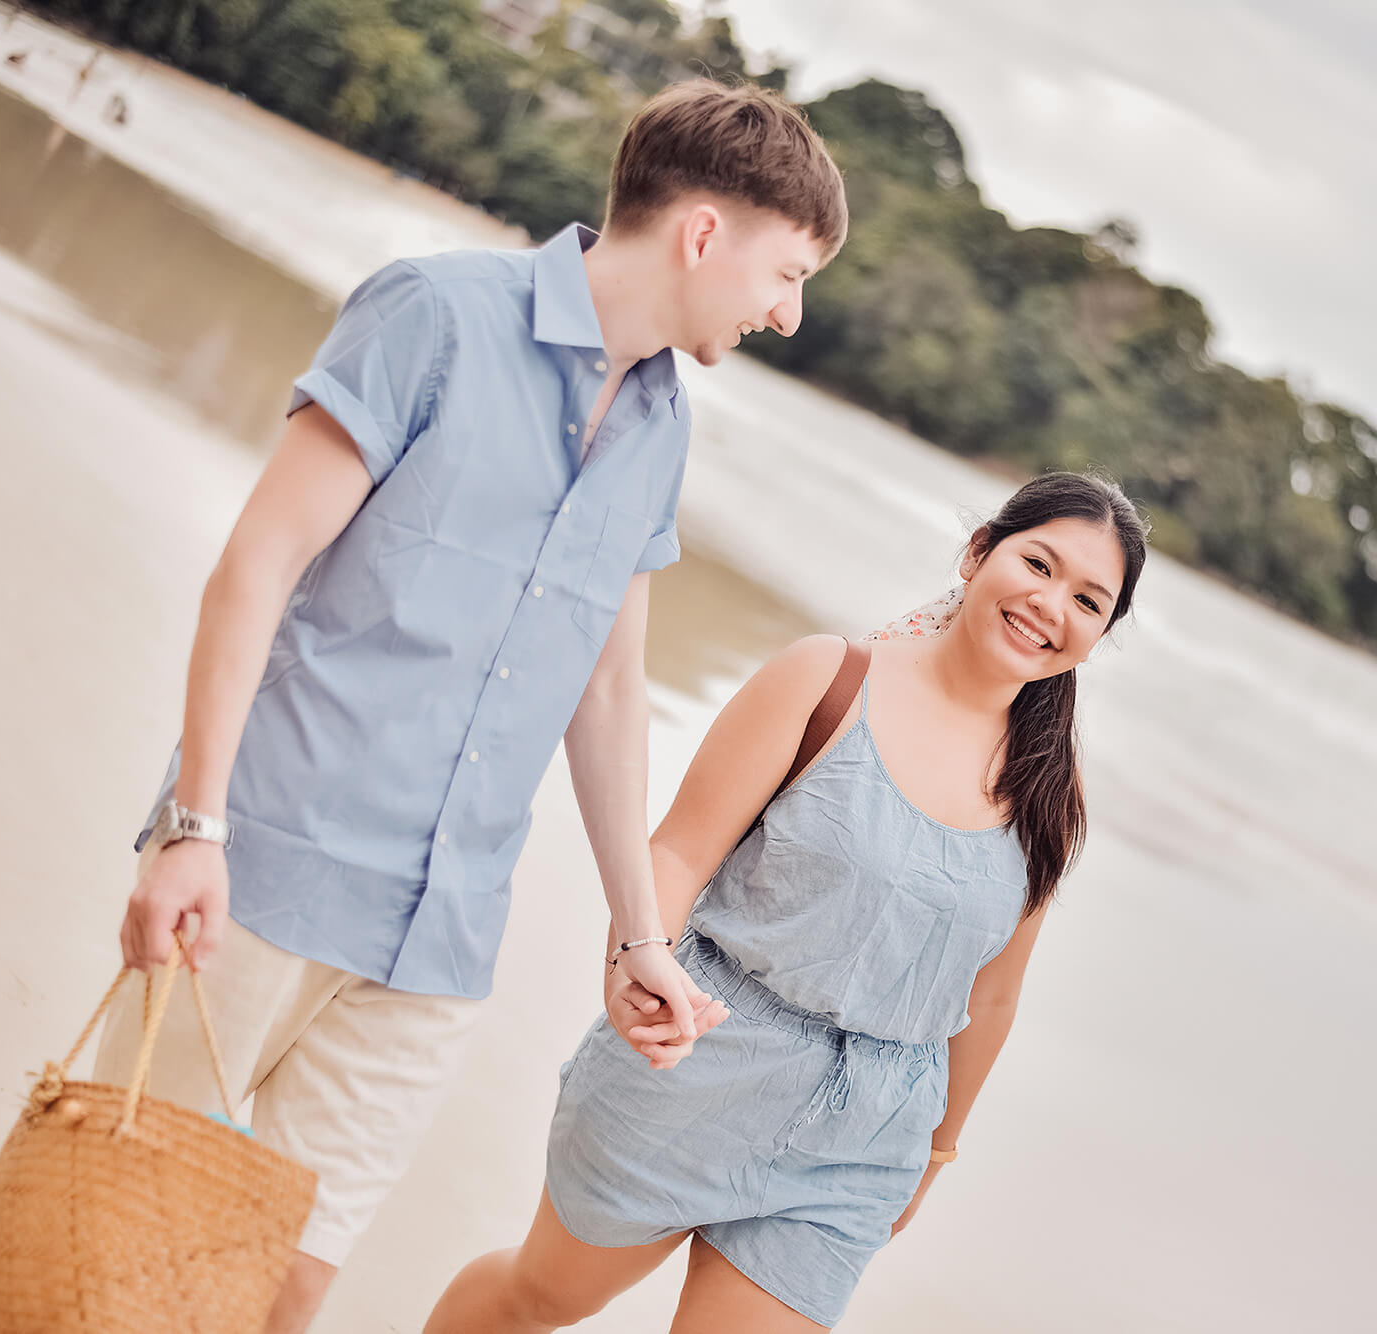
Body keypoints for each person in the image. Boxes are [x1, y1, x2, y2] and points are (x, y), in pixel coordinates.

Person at [92, 80, 846, 1334]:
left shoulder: (660, 423)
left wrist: (640, 932)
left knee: (288, 1281)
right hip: (265, 871)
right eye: (788, 270)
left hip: (437, 939)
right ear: (704, 233)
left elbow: (606, 687)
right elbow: (257, 564)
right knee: (112, 1233)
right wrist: (192, 825)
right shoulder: (434, 313)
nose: (788, 311)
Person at [428, 472, 1148, 1331]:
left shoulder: (1047, 799)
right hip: (699, 1058)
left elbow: (990, 995)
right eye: (1038, 564)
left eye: (1088, 600)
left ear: (1098, 634)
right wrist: (631, 957)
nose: (1050, 604)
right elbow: (681, 848)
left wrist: (936, 1151)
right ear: (978, 551)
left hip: (864, 1140)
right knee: (538, 1298)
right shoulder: (828, 679)